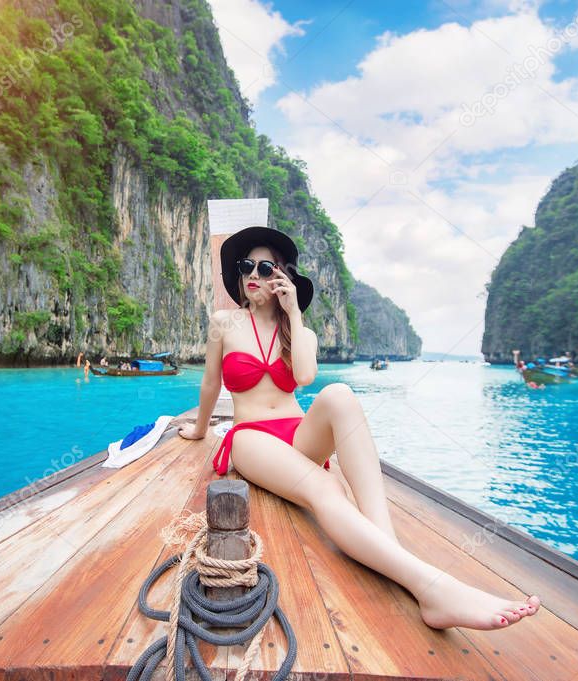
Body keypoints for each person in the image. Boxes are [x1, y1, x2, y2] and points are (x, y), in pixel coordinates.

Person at [178, 225, 540, 631]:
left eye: (265, 267)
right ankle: (431, 586)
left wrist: (294, 314)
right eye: (246, 267)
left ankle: (388, 550)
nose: (253, 276)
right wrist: (199, 429)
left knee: (341, 395)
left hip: (297, 434)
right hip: (251, 438)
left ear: (282, 277)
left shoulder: (301, 331)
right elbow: (210, 383)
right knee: (328, 488)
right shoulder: (224, 323)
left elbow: (304, 376)